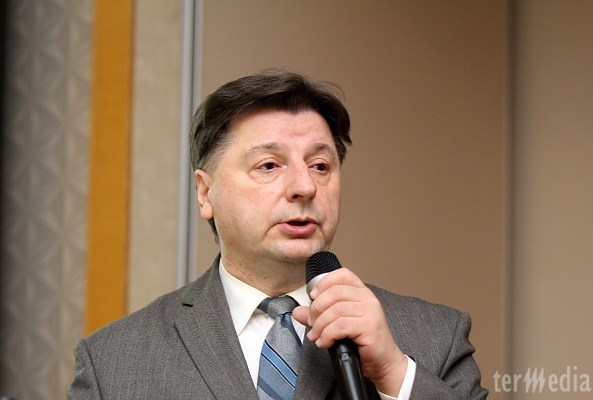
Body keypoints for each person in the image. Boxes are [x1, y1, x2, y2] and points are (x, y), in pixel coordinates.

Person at [68, 69, 488, 399]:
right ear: (205, 192)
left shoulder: (436, 337)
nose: (305, 186)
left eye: (320, 166)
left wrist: (392, 371)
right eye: (269, 165)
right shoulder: (114, 361)